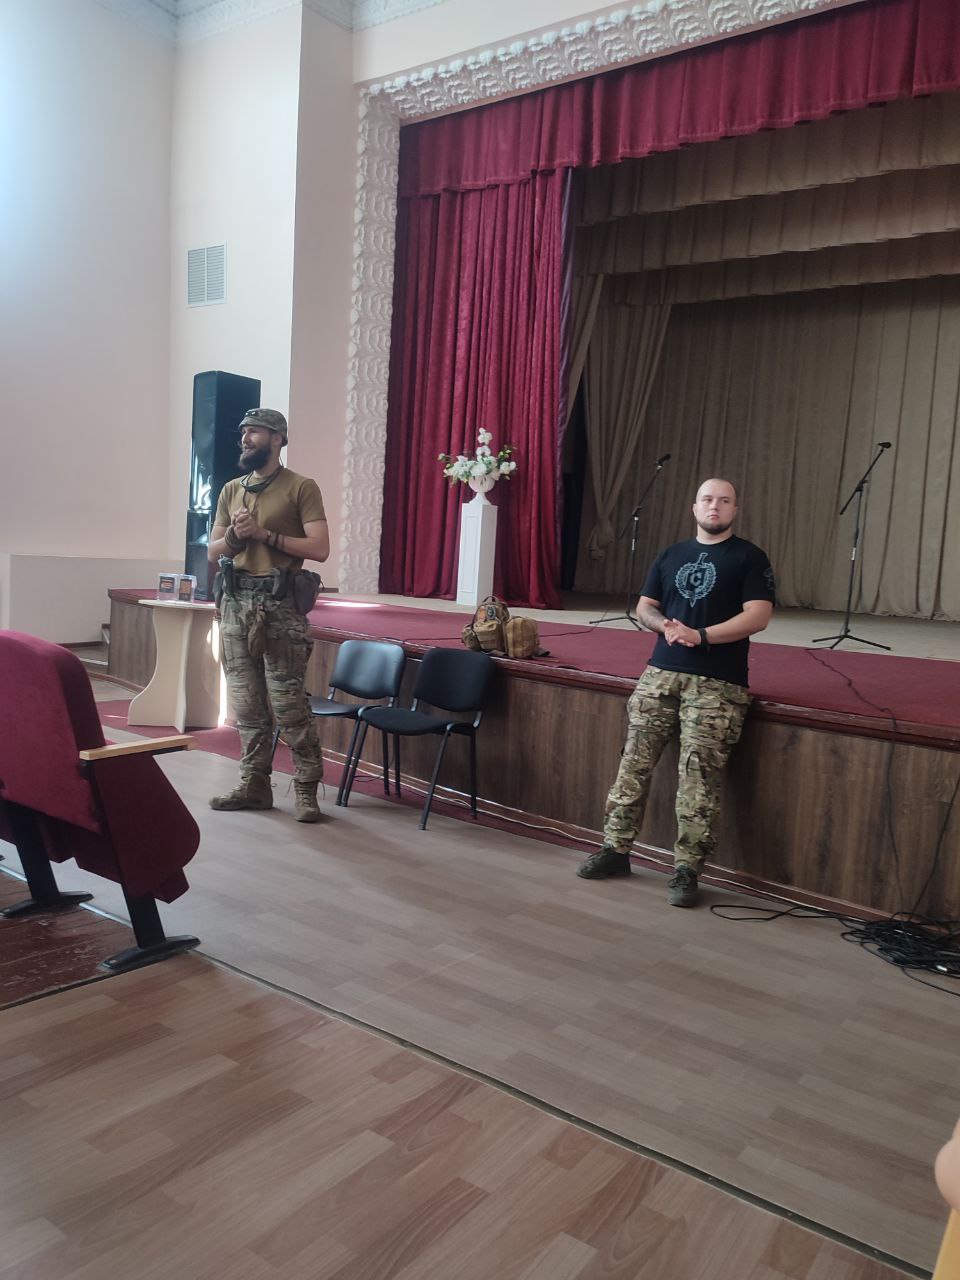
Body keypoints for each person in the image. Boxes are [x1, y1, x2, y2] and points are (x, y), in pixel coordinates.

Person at [577, 478, 775, 906]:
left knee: (698, 778)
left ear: (735, 510)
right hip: (660, 674)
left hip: (718, 682)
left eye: (724, 501)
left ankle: (686, 869)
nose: (715, 506)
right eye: (707, 499)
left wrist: (700, 635)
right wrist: (663, 626)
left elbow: (758, 616)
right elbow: (646, 607)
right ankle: (615, 849)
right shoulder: (670, 555)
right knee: (633, 764)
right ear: (694, 507)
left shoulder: (749, 557)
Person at [207, 408, 329, 823]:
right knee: (247, 706)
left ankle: (307, 788)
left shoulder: (301, 487)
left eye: (255, 432)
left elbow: (319, 548)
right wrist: (236, 537)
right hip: (236, 605)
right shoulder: (231, 489)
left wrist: (265, 535)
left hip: (279, 608)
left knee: (288, 705)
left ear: (277, 439)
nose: (245, 438)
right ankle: (254, 785)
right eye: (243, 432)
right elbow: (213, 551)